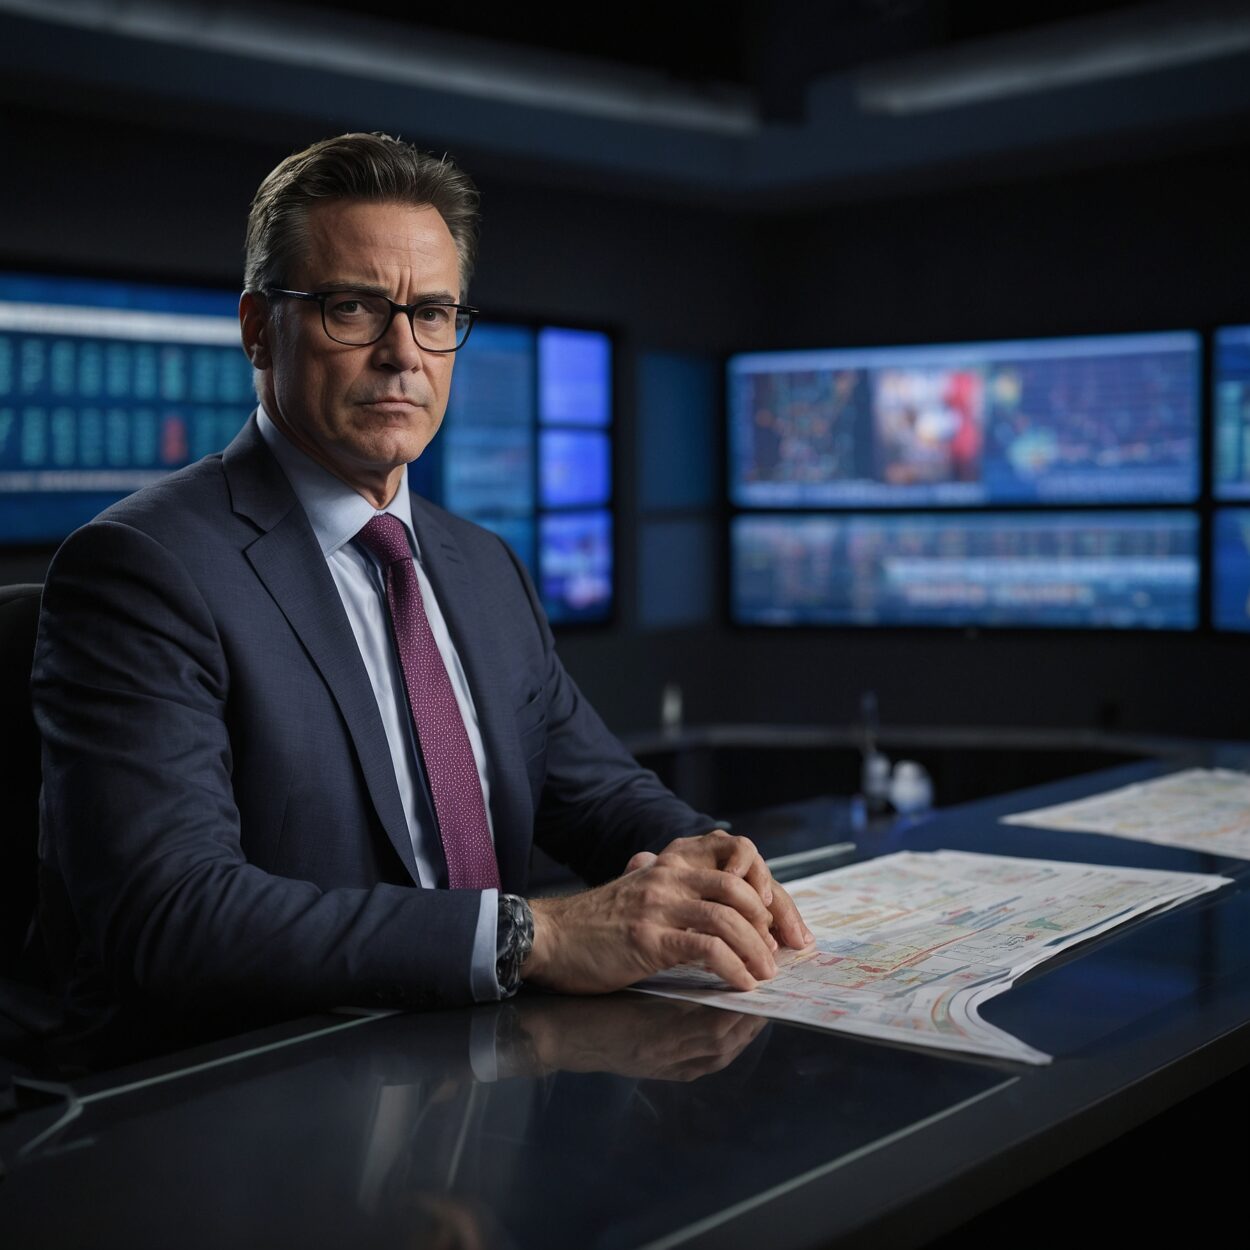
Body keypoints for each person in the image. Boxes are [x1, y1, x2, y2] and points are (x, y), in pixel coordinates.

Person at [31, 132, 812, 1042]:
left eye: (434, 313)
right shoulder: (143, 567)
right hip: (246, 1093)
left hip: (474, 1074)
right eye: (354, 308)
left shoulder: (479, 565)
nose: (403, 352)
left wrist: (710, 863)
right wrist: (538, 933)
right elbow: (173, 917)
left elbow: (599, 794)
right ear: (257, 326)